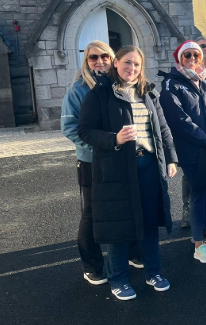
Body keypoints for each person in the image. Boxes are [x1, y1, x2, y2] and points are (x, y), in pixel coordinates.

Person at [78, 46, 178, 301]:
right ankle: (118, 278)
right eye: (126, 63)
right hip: (116, 168)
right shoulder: (100, 93)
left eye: (136, 64)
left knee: (148, 221)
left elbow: (163, 129)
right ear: (116, 63)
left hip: (148, 165)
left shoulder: (148, 93)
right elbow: (85, 131)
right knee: (119, 226)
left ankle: (153, 272)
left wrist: (171, 159)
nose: (131, 68)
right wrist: (115, 138)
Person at [159, 41, 206, 264]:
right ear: (179, 58)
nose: (192, 59)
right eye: (187, 55)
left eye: (196, 55)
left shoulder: (205, 81)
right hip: (193, 151)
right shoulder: (171, 84)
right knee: (199, 195)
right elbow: (179, 120)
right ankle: (198, 245)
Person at [61, 41, 116, 286]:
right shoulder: (78, 89)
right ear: (86, 61)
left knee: (123, 207)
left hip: (120, 158)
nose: (100, 61)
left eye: (105, 56)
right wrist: (100, 147)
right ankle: (92, 265)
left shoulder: (120, 83)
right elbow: (69, 128)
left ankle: (129, 253)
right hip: (91, 160)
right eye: (94, 57)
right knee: (91, 214)